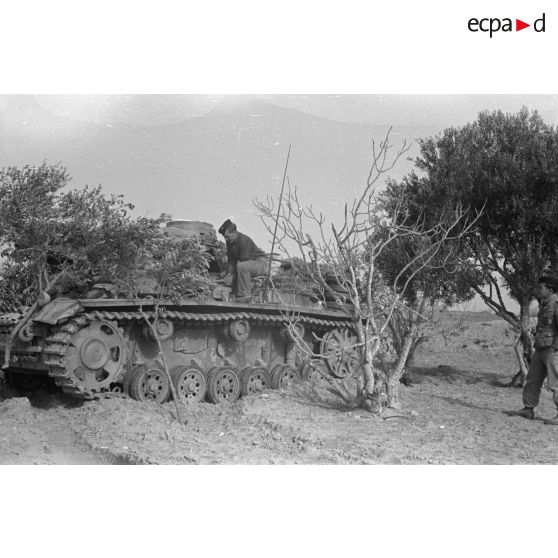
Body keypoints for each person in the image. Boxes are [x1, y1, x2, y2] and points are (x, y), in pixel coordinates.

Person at [508, 275, 558, 424]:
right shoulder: (544, 304)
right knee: (532, 379)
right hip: (541, 348)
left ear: (550, 289)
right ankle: (528, 409)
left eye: (540, 287)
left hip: (552, 350)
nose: (537, 290)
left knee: (555, 382)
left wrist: (555, 347)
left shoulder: (556, 304)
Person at [218, 219, 268, 303]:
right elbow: (231, 262)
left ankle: (245, 295)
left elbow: (242, 261)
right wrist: (228, 274)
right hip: (249, 264)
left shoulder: (243, 240)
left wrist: (232, 276)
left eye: (227, 236)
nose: (226, 239)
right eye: (224, 237)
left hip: (260, 264)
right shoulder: (230, 243)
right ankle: (234, 293)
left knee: (242, 267)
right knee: (226, 272)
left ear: (234, 232)